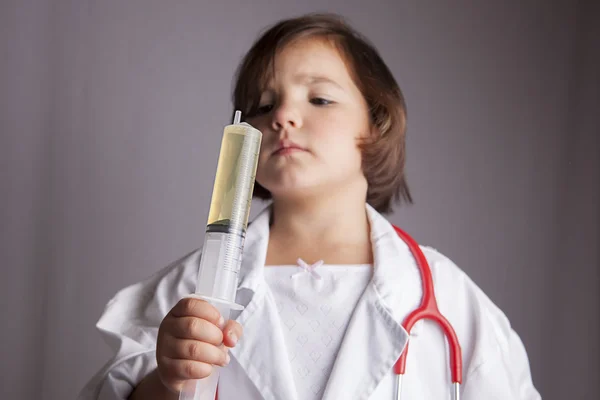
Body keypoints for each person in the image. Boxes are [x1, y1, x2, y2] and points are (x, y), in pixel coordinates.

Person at [78, 13, 541, 400]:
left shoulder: (451, 301)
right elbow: (114, 388)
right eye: (263, 105)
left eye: (319, 98)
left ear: (377, 123)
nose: (282, 116)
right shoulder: (184, 292)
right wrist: (167, 379)